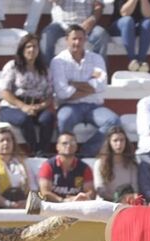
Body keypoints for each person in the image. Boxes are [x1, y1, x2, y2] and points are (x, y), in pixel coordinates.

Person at [50, 25, 118, 159]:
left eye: (81, 39)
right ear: (66, 40)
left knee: (113, 121)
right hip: (69, 106)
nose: (77, 42)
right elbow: (63, 93)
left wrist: (74, 84)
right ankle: (66, 155)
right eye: (74, 39)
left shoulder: (96, 59)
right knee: (63, 119)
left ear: (85, 40)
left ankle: (84, 154)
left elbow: (102, 85)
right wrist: (91, 88)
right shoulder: (58, 61)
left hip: (94, 106)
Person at [0, 34, 55, 158]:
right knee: (24, 119)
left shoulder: (44, 69)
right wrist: (23, 106)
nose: (32, 50)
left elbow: (49, 95)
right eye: (28, 46)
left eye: (35, 46)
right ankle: (35, 151)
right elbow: (5, 91)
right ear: (22, 49)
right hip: (12, 107)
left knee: (48, 118)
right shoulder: (12, 66)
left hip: (37, 106)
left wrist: (39, 106)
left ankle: (43, 151)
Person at [0, 128, 38, 210]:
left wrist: (28, 203)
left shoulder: (21, 162)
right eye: (1, 140)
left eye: (8, 140)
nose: (5, 143)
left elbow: (33, 187)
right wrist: (10, 204)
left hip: (24, 205)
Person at [40, 0, 109, 62]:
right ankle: (45, 72)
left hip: (86, 25)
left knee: (101, 34)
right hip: (61, 25)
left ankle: (100, 71)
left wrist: (92, 19)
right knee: (47, 34)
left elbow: (99, 6)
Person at [37, 133, 96, 202]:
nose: (68, 145)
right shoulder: (48, 166)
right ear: (57, 147)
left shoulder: (85, 168)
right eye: (64, 143)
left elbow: (91, 192)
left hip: (77, 206)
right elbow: (44, 192)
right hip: (53, 207)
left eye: (72, 143)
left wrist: (84, 197)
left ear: (76, 147)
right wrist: (64, 201)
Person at [94, 126, 138, 203]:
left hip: (128, 203)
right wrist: (118, 199)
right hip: (107, 203)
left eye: (122, 140)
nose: (119, 144)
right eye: (115, 140)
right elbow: (100, 189)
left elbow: (135, 188)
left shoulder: (132, 164)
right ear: (109, 142)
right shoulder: (99, 163)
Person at [109, 0, 150, 72]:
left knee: (148, 23)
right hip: (119, 25)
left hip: (137, 26)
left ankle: (141, 61)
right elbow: (125, 13)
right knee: (128, 20)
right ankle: (132, 60)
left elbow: (147, 14)